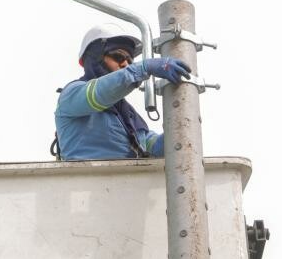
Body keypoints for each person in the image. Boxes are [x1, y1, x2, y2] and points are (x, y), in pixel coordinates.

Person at [54, 22, 192, 160]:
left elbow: (149, 147)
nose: (125, 64)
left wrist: (174, 132)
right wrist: (143, 68)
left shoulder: (128, 115)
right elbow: (100, 93)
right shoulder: (72, 94)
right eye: (118, 57)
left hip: (125, 179)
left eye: (129, 61)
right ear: (95, 57)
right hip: (85, 178)